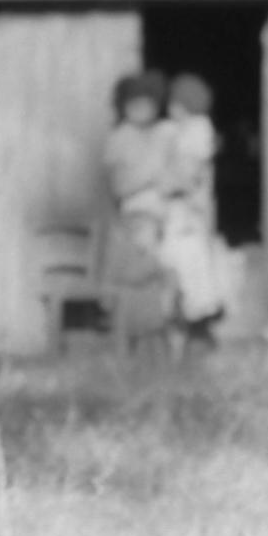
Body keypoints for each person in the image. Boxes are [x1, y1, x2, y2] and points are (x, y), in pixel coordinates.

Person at [97, 70, 178, 347]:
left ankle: (159, 336)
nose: (142, 110)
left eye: (147, 103)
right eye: (135, 104)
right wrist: (152, 174)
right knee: (142, 276)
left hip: (162, 215)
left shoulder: (161, 133)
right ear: (124, 106)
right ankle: (139, 336)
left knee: (163, 274)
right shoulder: (121, 138)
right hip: (136, 217)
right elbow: (120, 187)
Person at [154, 71, 229, 340]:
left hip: (187, 213)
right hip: (181, 211)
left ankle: (189, 325)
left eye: (175, 103)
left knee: (186, 263)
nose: (170, 108)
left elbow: (187, 175)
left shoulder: (197, 130)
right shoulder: (180, 130)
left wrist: (164, 183)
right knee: (175, 264)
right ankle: (180, 326)